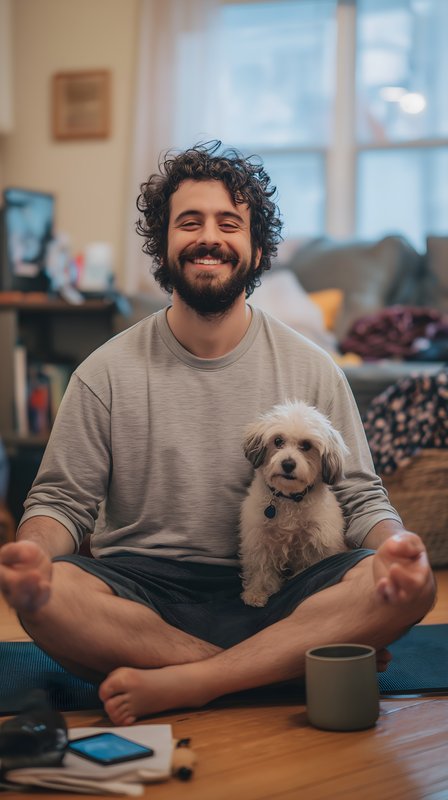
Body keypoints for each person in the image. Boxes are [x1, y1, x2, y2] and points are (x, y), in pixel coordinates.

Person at [0, 142, 435, 726]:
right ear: (164, 242)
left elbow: (359, 499)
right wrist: (32, 556)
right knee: (50, 596)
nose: (210, 237)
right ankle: (278, 665)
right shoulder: (103, 373)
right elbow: (60, 503)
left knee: (409, 587)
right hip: (142, 591)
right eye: (190, 222)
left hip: (287, 590)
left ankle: (194, 680)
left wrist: (398, 550)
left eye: (229, 223)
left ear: (256, 249)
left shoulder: (313, 367)